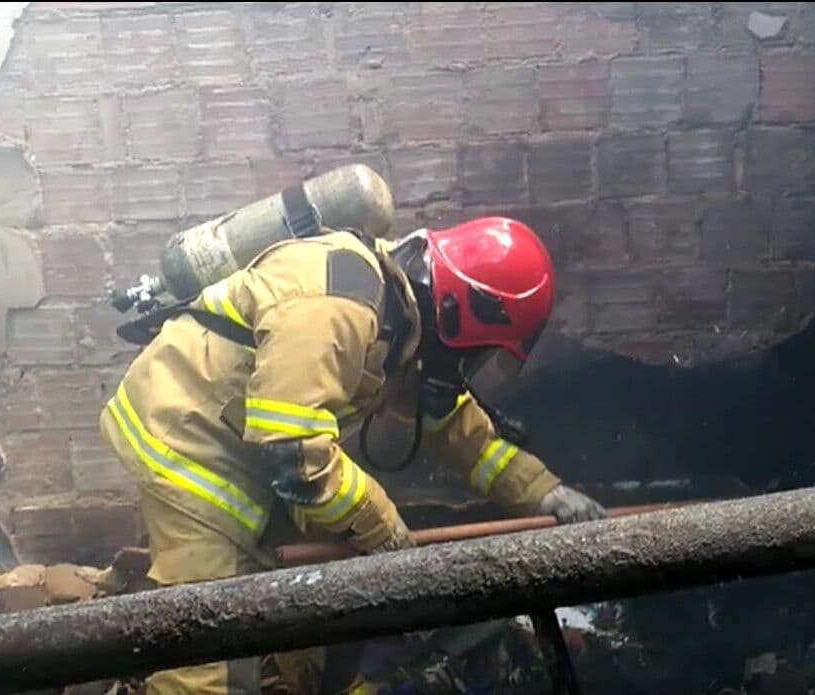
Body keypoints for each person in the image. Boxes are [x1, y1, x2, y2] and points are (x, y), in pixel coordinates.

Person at [99, 216, 607, 695]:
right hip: (189, 444)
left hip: (252, 450)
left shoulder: (400, 320)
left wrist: (546, 493)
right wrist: (384, 531)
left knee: (321, 602)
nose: (474, 367)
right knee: (213, 643)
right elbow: (295, 455)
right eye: (482, 352)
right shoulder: (339, 305)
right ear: (461, 313)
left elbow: (454, 427)